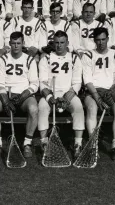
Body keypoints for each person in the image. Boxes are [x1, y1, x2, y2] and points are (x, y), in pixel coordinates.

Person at [0, 32, 39, 158]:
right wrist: (5, 100)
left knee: (33, 109)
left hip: (24, 94)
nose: (16, 46)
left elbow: (34, 83)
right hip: (6, 93)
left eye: (18, 43)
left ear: (23, 44)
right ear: (9, 44)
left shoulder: (29, 59)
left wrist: (23, 95)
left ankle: (27, 143)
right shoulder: (3, 59)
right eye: (13, 43)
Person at [38, 31, 84, 159]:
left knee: (78, 107)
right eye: (56, 43)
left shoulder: (74, 58)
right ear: (53, 44)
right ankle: (44, 143)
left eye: (62, 43)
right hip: (52, 93)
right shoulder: (46, 58)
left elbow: (76, 82)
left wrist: (67, 97)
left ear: (67, 43)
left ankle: (78, 144)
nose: (59, 45)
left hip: (68, 93)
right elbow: (42, 82)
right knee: (42, 107)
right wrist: (49, 97)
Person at [82, 27, 115, 161]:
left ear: (108, 39)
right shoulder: (88, 55)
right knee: (92, 108)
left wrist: (112, 93)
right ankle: (92, 145)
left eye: (103, 39)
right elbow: (87, 80)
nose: (101, 43)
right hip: (94, 90)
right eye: (98, 40)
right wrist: (98, 98)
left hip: (111, 90)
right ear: (94, 40)